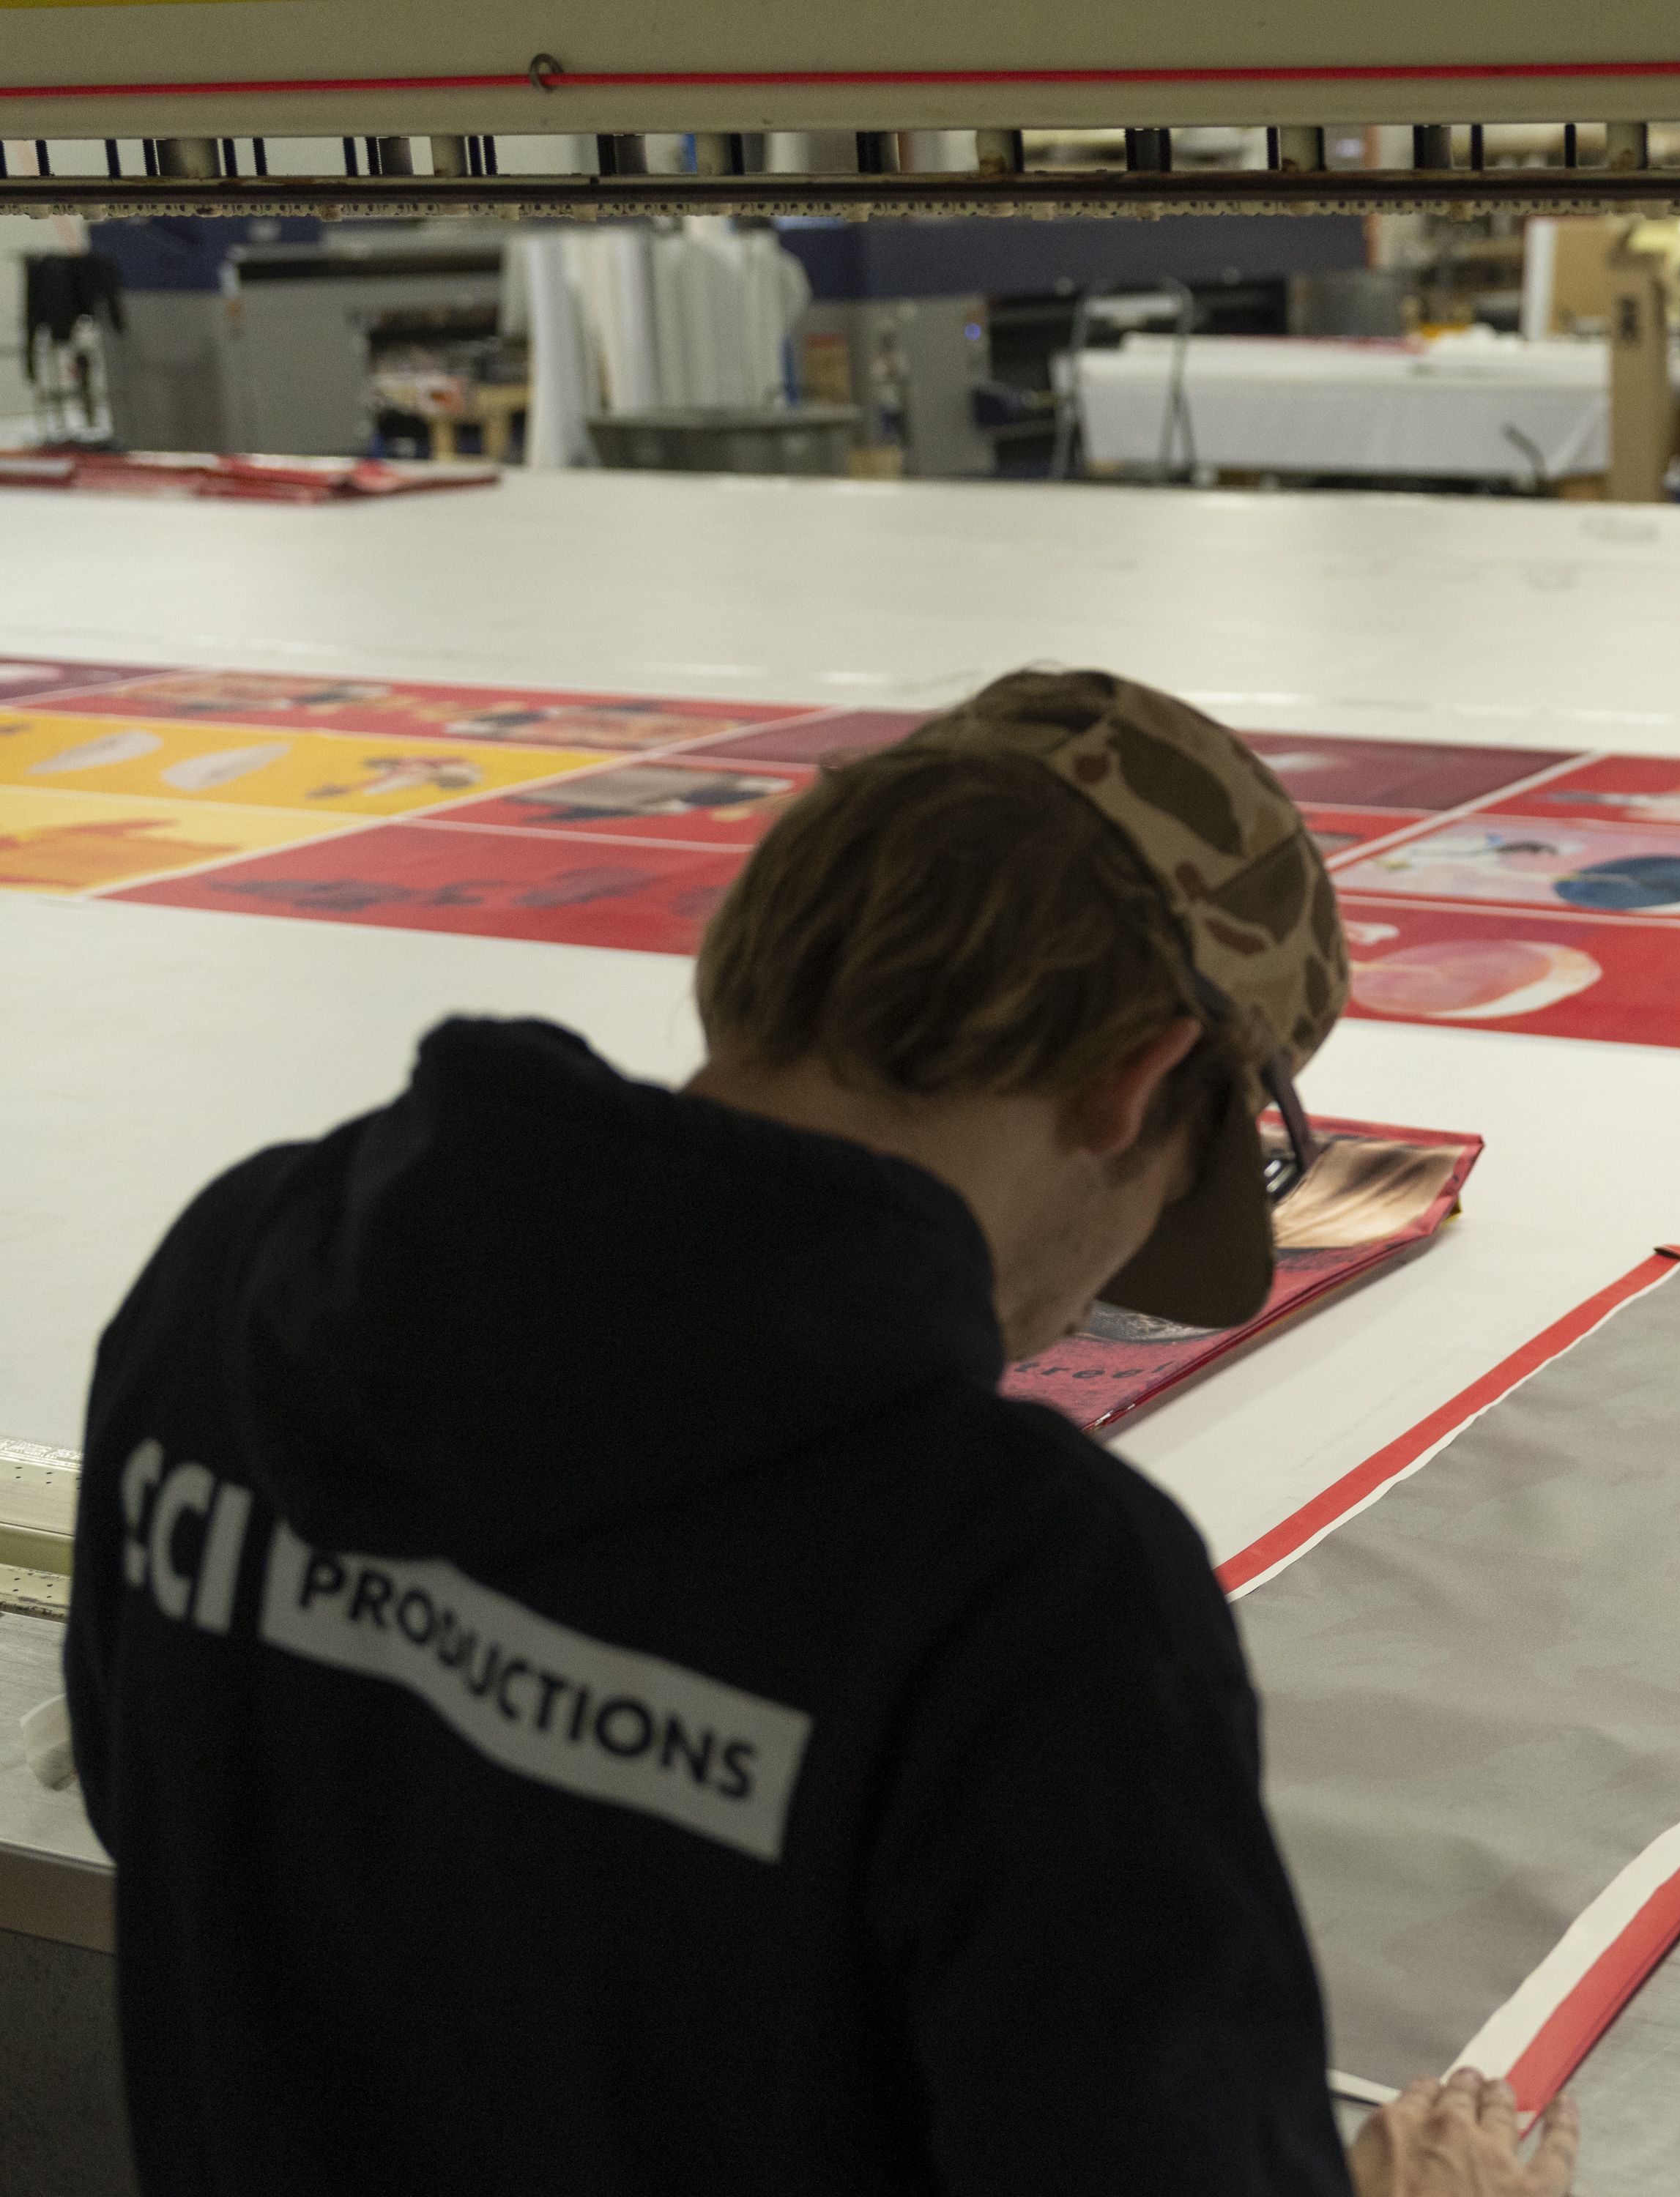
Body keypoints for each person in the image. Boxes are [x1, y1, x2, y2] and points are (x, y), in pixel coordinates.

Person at [64, 670, 1577, 2196]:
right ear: (1138, 1078)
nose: (1071, 1317)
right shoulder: (1025, 1590)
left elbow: (177, 1825)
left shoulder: (238, 1279)